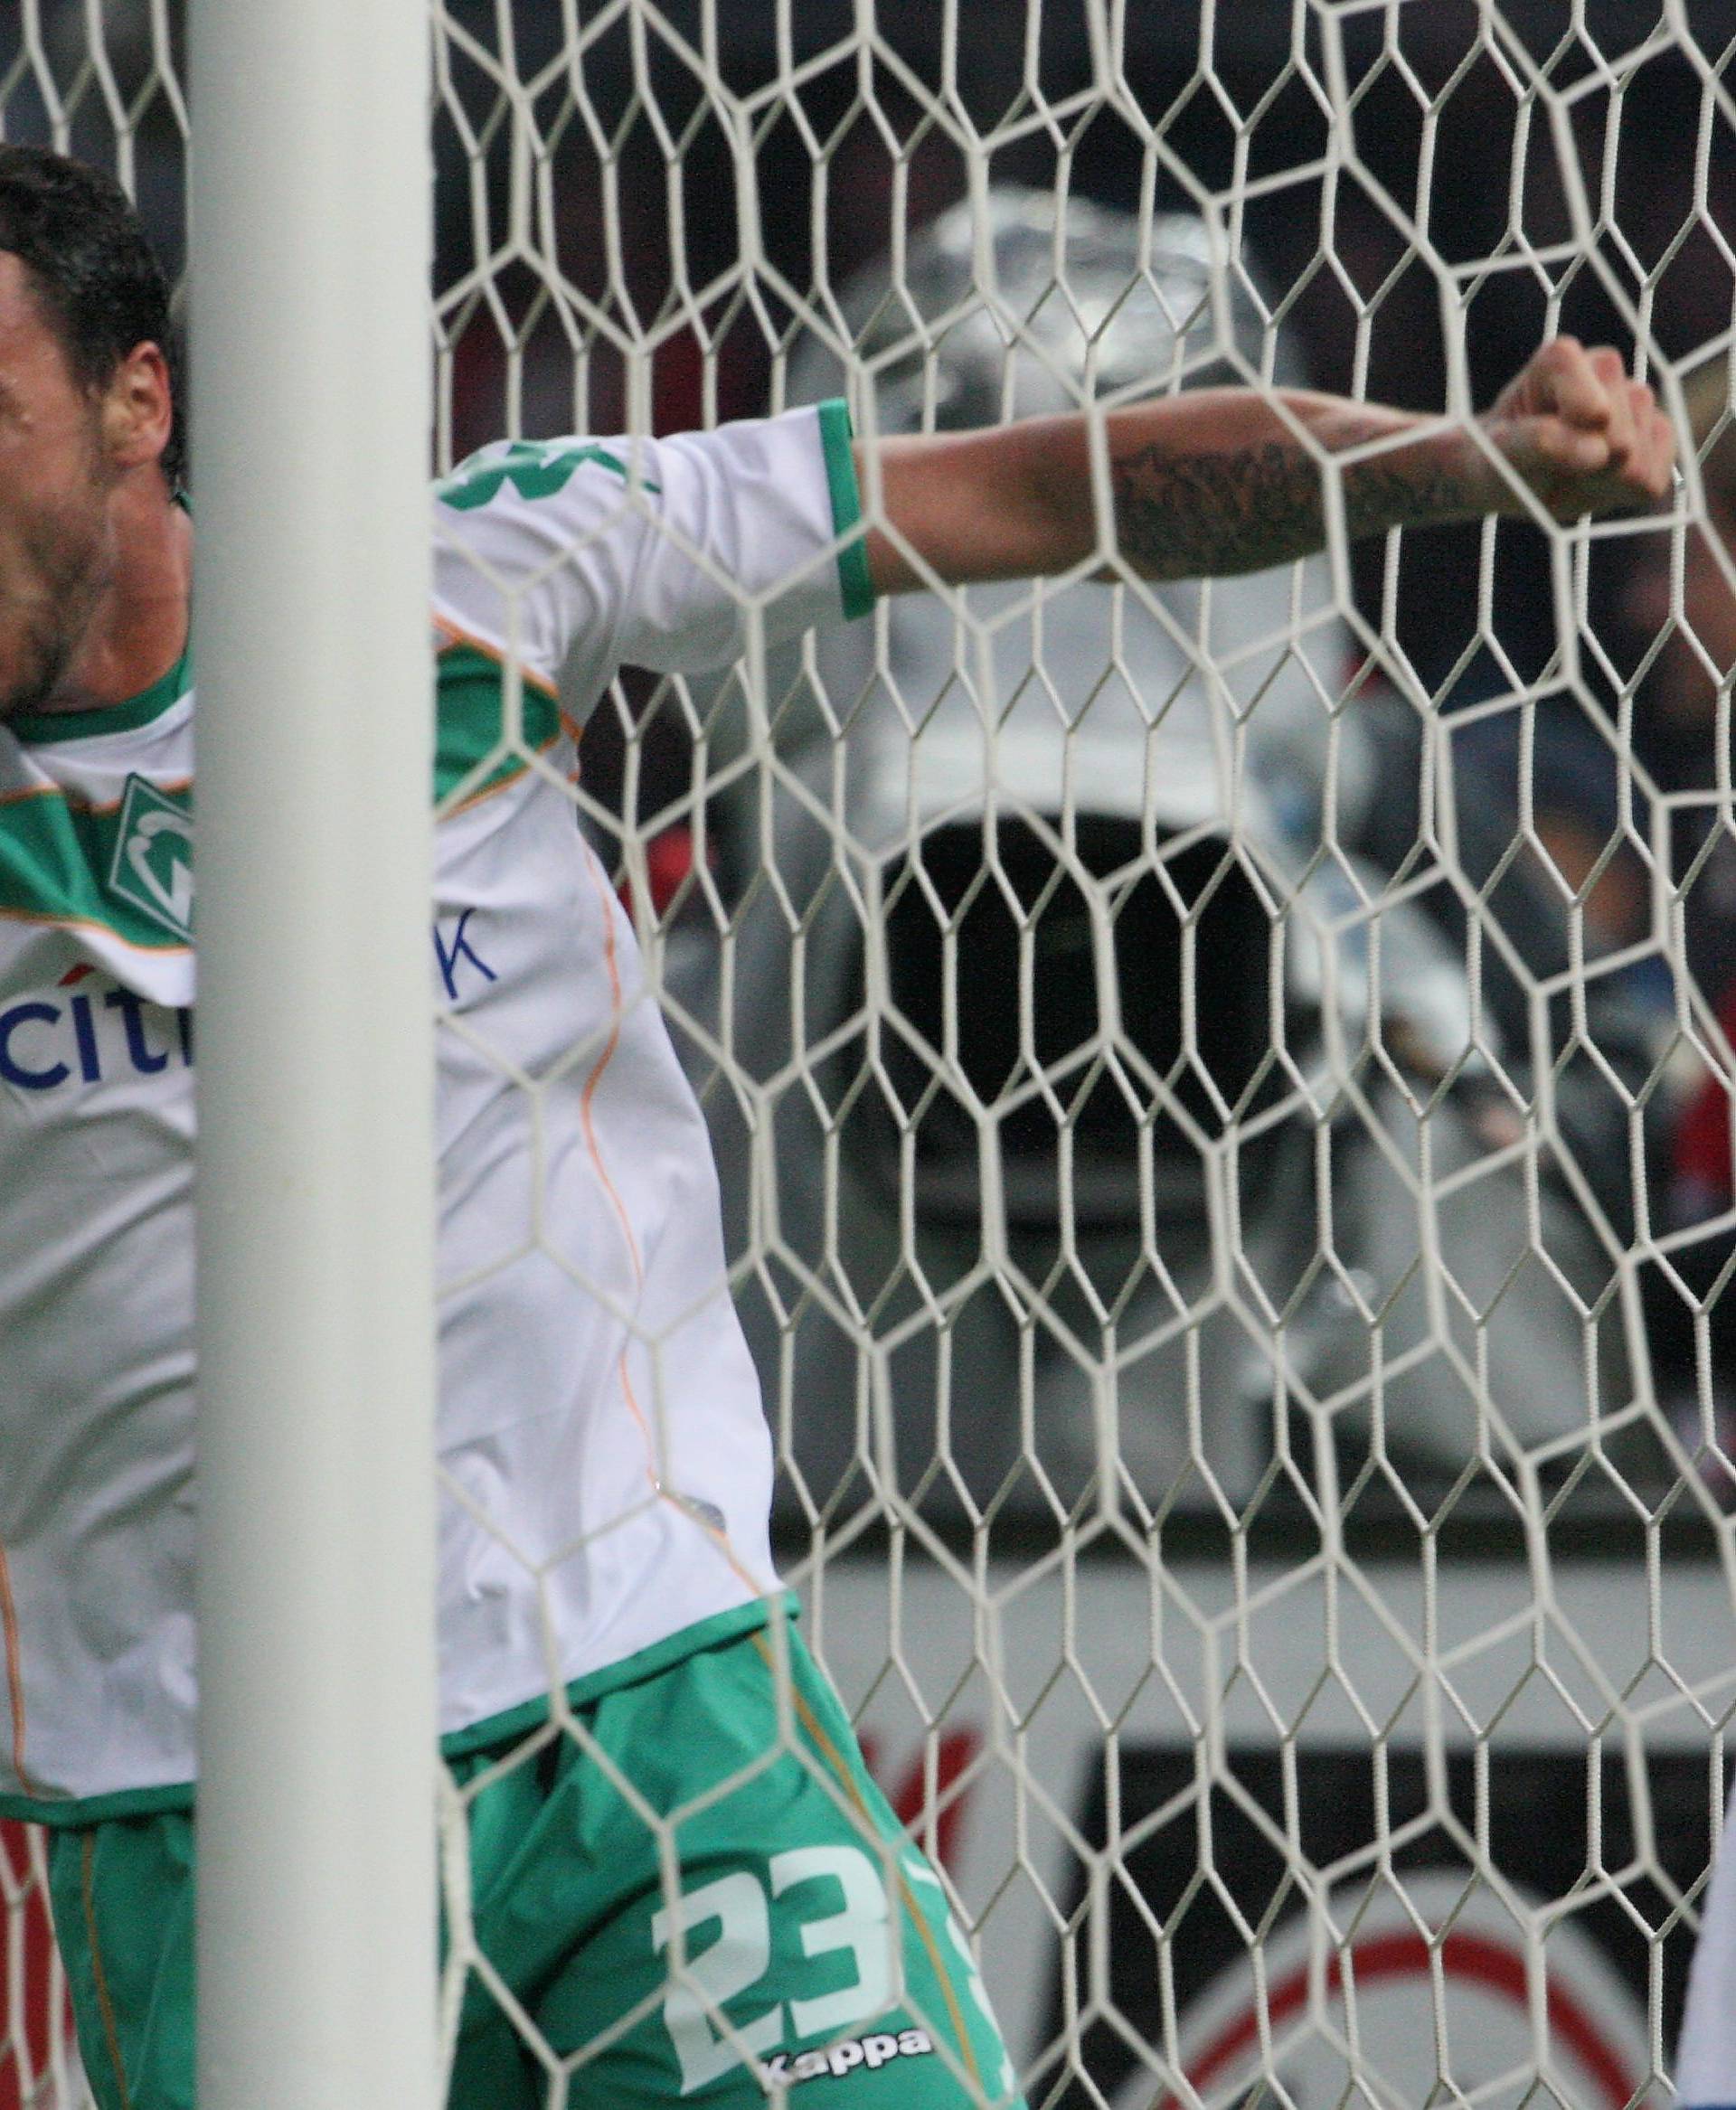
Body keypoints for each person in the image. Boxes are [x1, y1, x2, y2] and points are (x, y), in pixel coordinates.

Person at [0, 144, 1673, 2110]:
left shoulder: (467, 580)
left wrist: (1454, 465)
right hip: (190, 1800)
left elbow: (1045, 483)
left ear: (139, 400)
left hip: (645, 1720)